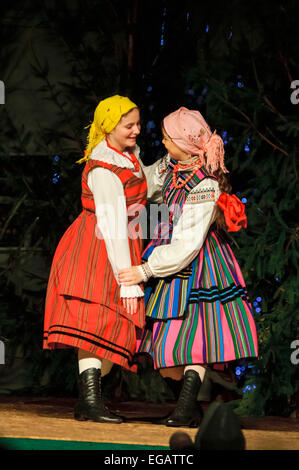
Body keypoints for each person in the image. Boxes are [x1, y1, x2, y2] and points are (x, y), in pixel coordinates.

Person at [119, 107, 258, 427]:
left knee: (193, 339)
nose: (164, 142)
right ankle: (189, 406)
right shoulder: (173, 167)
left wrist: (146, 270)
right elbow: (147, 184)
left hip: (197, 264)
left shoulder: (205, 186)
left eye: (169, 138)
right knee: (164, 350)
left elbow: (188, 243)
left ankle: (184, 409)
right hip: (170, 255)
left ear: (186, 143)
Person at [43, 95, 147, 423]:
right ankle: (89, 399)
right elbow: (112, 224)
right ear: (108, 126)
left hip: (120, 242)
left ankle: (89, 400)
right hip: (99, 247)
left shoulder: (127, 156)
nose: (136, 131)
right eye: (128, 125)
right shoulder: (104, 169)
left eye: (138, 124)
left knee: (110, 325)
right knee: (95, 320)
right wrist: (127, 279)